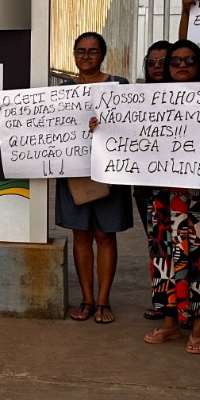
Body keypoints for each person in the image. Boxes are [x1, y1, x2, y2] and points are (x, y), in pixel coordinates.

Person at [139, 40, 200, 354]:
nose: (182, 65)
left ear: (199, 64)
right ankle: (170, 323)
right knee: (163, 256)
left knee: (199, 259)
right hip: (162, 193)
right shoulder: (150, 99)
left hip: (198, 193)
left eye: (190, 60)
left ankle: (199, 326)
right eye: (175, 60)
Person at [53, 33, 133, 323]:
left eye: (92, 51)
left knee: (105, 235)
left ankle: (103, 302)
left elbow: (132, 125)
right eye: (81, 51)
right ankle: (87, 300)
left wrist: (107, 125)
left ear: (103, 54)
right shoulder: (62, 91)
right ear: (74, 54)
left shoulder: (119, 86)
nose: (86, 56)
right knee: (81, 235)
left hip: (109, 171)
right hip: (74, 171)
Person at [136, 39, 172, 319]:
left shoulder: (195, 94)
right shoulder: (135, 97)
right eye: (152, 62)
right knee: (157, 245)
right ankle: (163, 303)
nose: (157, 67)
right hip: (147, 186)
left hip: (183, 187)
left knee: (187, 248)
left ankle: (191, 308)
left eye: (164, 61)